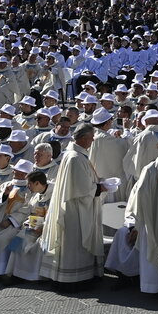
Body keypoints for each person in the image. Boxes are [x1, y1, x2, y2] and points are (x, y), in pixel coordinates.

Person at [106, 138, 158, 293]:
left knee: (149, 246)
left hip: (153, 221)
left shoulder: (151, 169)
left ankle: (154, 286)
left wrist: (136, 225)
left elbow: (140, 197)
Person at [40, 123, 104, 289]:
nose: (92, 141)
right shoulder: (75, 157)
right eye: (91, 138)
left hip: (76, 206)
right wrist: (99, 187)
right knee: (74, 243)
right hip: (75, 208)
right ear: (82, 138)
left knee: (73, 243)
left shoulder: (75, 154)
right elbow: (81, 188)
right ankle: (74, 280)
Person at [5, 170, 53, 281]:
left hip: (49, 229)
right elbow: (31, 212)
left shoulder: (55, 194)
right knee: (20, 237)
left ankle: (36, 276)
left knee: (39, 244)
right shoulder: (36, 196)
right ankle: (16, 273)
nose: (28, 186)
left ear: (37, 183)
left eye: (29, 184)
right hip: (36, 227)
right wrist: (29, 223)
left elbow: (57, 216)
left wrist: (43, 227)